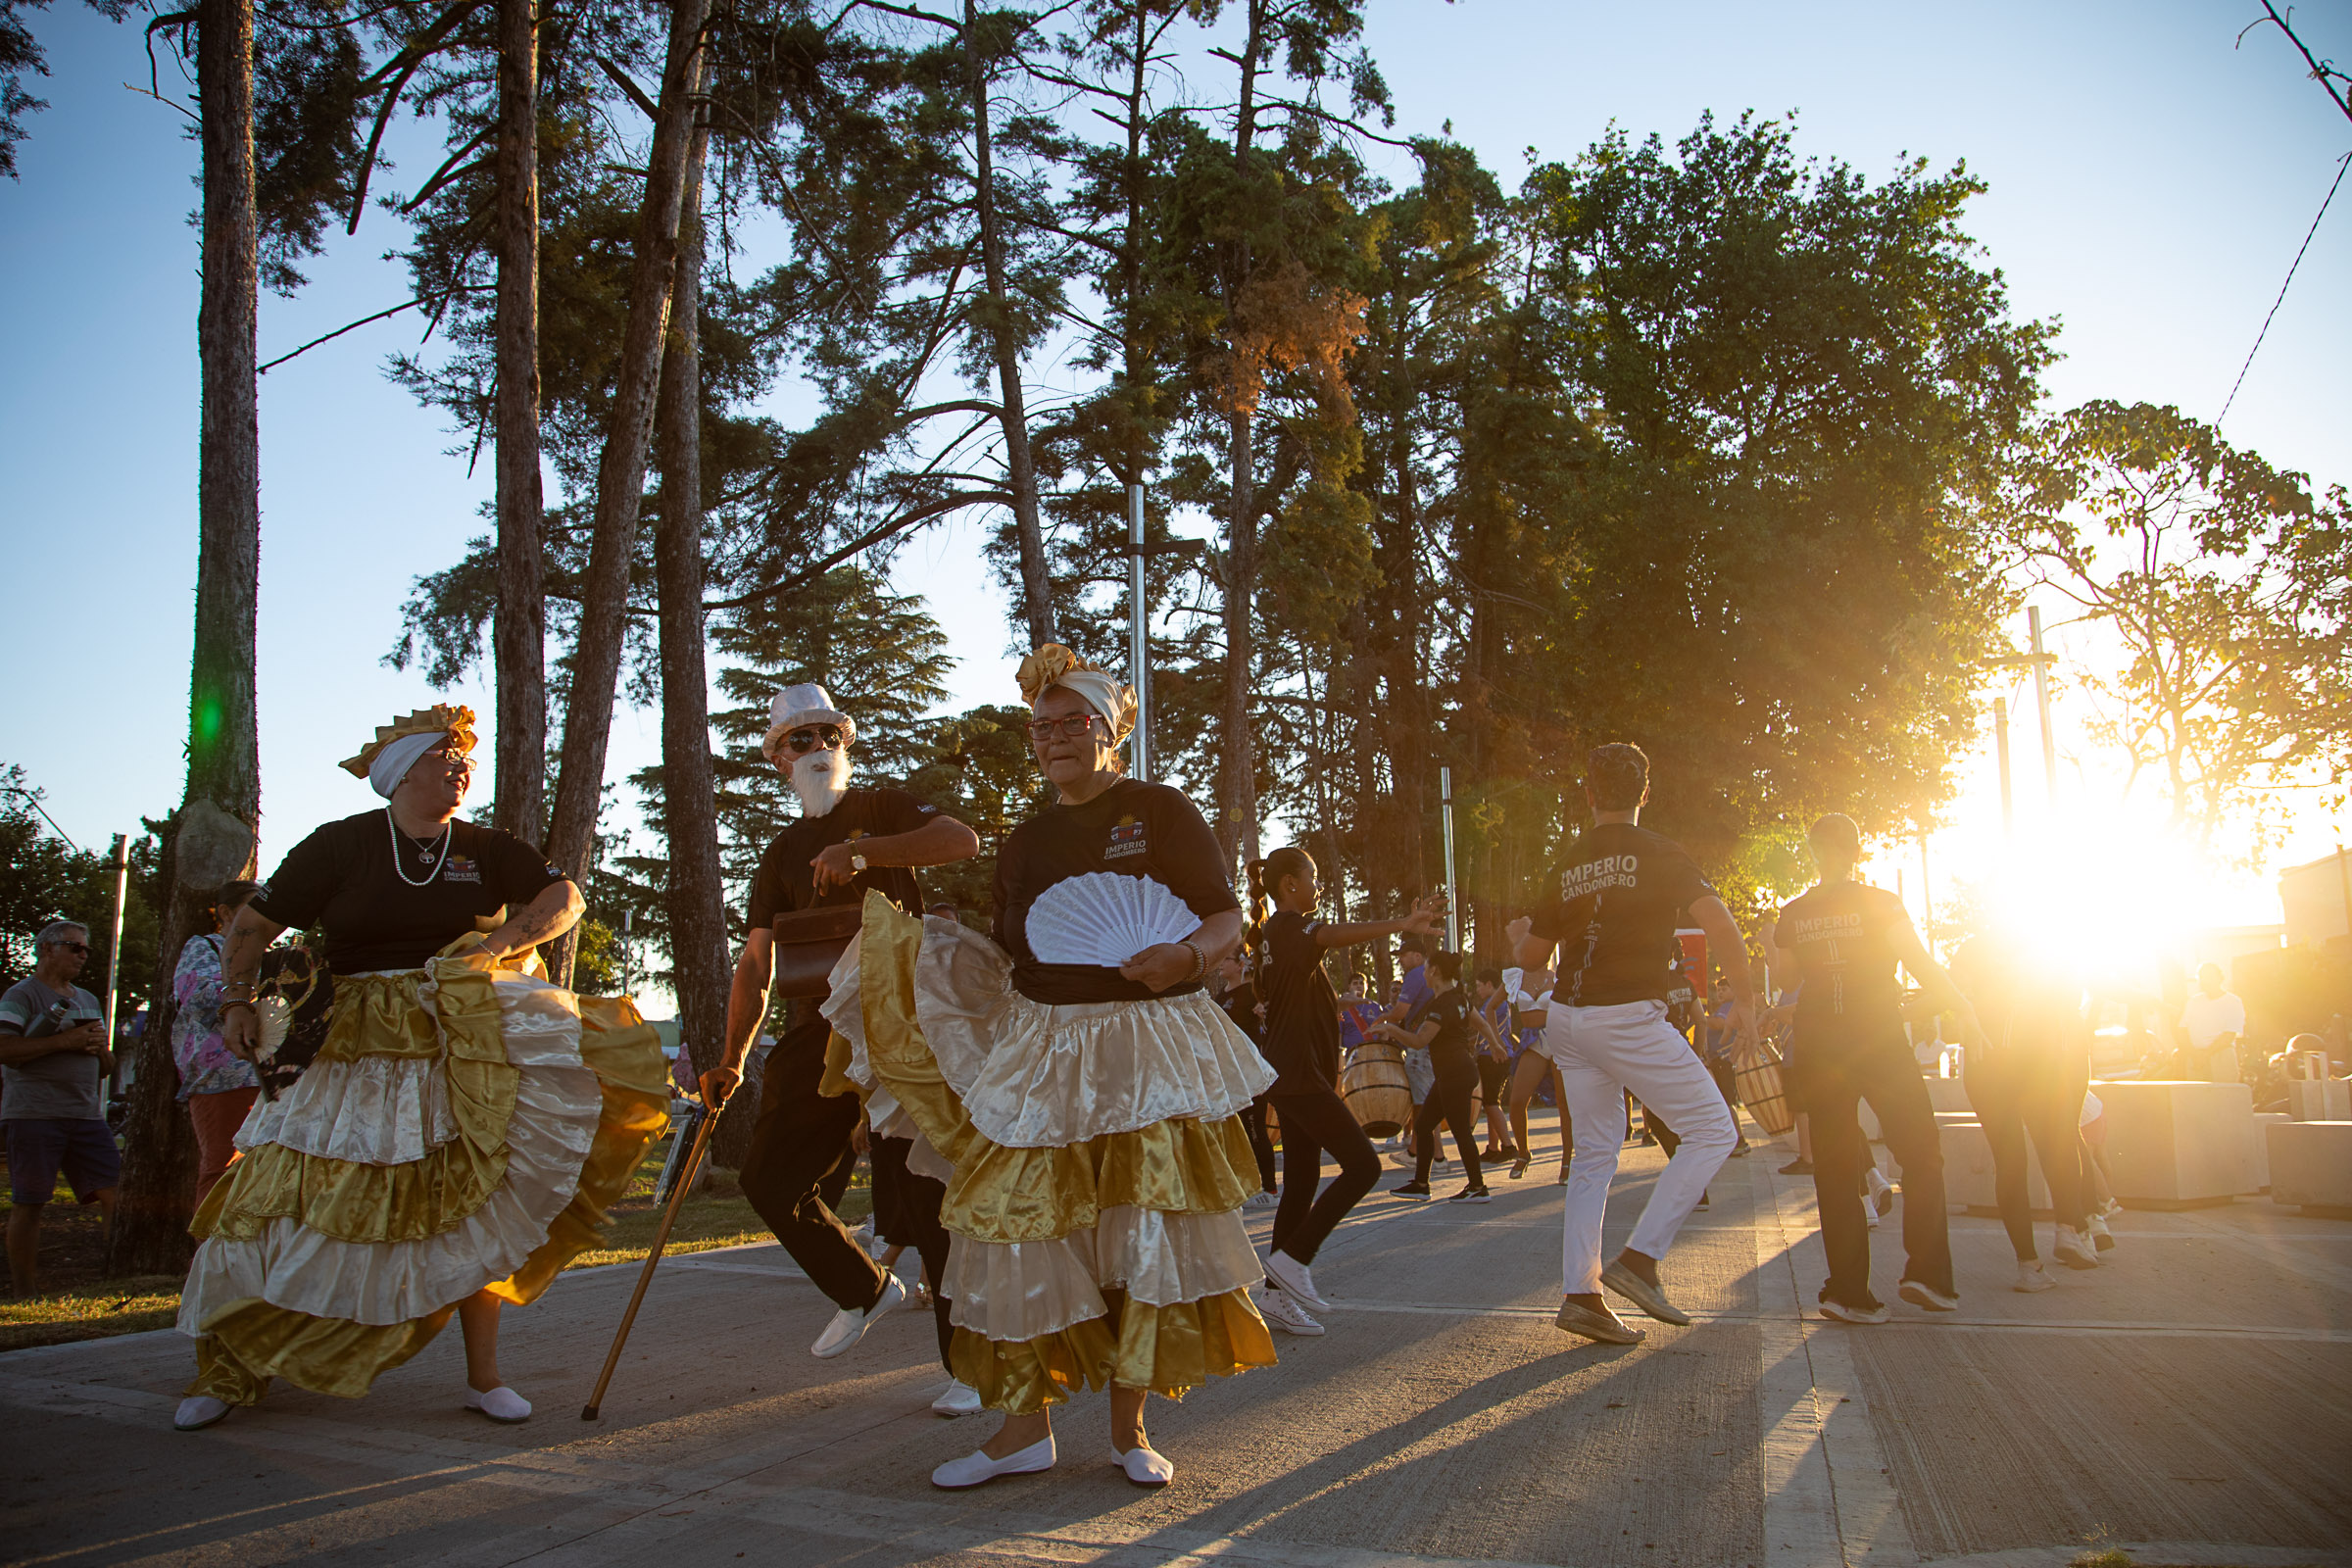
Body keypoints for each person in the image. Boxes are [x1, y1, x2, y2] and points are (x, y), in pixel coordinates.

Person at [837, 644, 1275, 1491]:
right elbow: (1015, 953)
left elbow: (1224, 916)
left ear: (1109, 732)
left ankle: (1130, 1430)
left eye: (1071, 723)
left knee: (1143, 1231)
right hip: (1045, 1047)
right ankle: (1022, 1433)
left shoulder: (1162, 810)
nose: (1051, 739)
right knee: (1010, 1222)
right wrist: (938, 963)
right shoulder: (1026, 841)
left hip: (1147, 1050)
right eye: (1039, 729)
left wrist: (1187, 955)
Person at [177, 705, 669, 1432]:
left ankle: (485, 1377)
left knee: (476, 1195)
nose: (462, 764)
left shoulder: (486, 844)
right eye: (446, 754)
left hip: (456, 1035)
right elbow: (253, 924)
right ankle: (229, 1369)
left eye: (465, 755)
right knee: (282, 1196)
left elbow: (564, 897)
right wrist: (237, 1001)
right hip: (351, 1043)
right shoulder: (338, 846)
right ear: (403, 770)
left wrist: (497, 943)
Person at [698, 683, 981, 1365]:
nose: (818, 747)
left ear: (844, 744)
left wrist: (864, 853)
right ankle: (865, 1288)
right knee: (768, 1181)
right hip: (815, 1029)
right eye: (801, 739)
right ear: (778, 760)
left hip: (900, 1024)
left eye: (829, 734)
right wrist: (732, 1058)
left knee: (925, 1192)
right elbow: (755, 963)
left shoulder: (882, 808)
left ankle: (970, 1370)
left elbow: (960, 840)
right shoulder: (781, 852)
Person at [1510, 743, 1756, 1346]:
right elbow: (1719, 923)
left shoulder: (1565, 862)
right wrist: (1746, 998)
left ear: (1589, 795)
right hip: (1626, 1015)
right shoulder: (1661, 853)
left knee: (1594, 1155)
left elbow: (1531, 958)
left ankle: (1581, 1295)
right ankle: (1641, 1261)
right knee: (1714, 1130)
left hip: (1567, 1018)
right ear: (1645, 792)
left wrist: (1530, 939)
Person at [1769, 812, 1984, 1325]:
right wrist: (1963, 1006)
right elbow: (1921, 964)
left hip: (1822, 1043)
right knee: (1921, 1152)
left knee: (1836, 1168)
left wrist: (1778, 943)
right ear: (1857, 850)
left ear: (1813, 851)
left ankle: (1847, 1293)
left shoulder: (1795, 913)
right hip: (1879, 1039)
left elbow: (1786, 980)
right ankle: (1926, 1275)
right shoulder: (1881, 903)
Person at [1245, 847, 1439, 1337]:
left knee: (1305, 1179)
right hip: (1298, 1074)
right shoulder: (1293, 929)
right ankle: (1293, 1262)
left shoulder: (1271, 934)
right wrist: (1404, 922)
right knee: (1365, 1165)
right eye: (1311, 877)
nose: (1317, 886)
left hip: (1285, 1073)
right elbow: (1333, 933)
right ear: (1289, 885)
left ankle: (1274, 1294)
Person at [1951, 936, 2100, 1290]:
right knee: (2059, 1144)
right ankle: (2069, 1229)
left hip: (1985, 1058)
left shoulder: (1974, 947)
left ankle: (2028, 1266)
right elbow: (2072, 1000)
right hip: (2036, 1057)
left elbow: (1951, 991)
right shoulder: (2049, 947)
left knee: (2010, 1160)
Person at [1, 919, 117, 1296]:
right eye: (75, 947)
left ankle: (113, 1278)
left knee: (117, 1195)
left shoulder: (87, 999)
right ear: (47, 949)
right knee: (30, 1202)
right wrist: (65, 1041)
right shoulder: (21, 996)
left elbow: (106, 1067)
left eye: (87, 950)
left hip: (85, 1115)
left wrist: (99, 1047)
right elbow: (6, 1051)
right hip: (35, 1114)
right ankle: (24, 1292)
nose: (83, 956)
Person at [171, 880, 266, 1207]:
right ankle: (211, 1254)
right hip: (223, 1078)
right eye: (254, 907)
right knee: (224, 1167)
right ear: (225, 912)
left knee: (264, 1170)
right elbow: (196, 997)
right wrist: (252, 992)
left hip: (269, 1077)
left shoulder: (266, 956)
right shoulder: (205, 948)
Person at [1375, 953, 1490, 1203]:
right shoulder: (1460, 999)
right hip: (1456, 1071)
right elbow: (1482, 1025)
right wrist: (1498, 1046)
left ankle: (1477, 1187)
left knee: (1460, 1131)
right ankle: (1421, 1184)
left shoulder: (1442, 1005)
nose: (1424, 974)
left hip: (1454, 1073)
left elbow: (1419, 1041)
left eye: (1426, 970)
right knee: (1425, 1125)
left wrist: (1390, 1028)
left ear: (1435, 971)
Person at [1214, 952, 1281, 1207]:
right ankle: (1241, 1185)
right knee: (1232, 1132)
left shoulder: (1253, 993)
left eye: (1226, 960)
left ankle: (1269, 1188)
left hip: (1248, 1072)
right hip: (1224, 1073)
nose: (1220, 964)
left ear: (1241, 964)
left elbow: (1274, 1017)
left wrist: (1265, 1011)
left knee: (1255, 1130)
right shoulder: (1221, 995)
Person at [1501, 965, 1569, 1182]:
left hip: (1558, 1038)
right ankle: (1523, 1154)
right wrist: (1496, 1042)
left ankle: (1567, 1161)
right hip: (1534, 1042)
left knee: (1564, 1103)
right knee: (1517, 1101)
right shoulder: (1515, 977)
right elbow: (1492, 1007)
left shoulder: (1559, 976)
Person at [1472, 968, 1519, 1161]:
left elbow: (1482, 1024)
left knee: (1491, 1102)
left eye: (1479, 986)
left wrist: (1496, 1046)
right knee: (1490, 1101)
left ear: (1489, 984)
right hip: (1490, 1055)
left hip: (1494, 1056)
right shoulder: (1493, 1004)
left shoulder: (1494, 1004)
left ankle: (1508, 1145)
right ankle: (1493, 1147)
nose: (1477, 990)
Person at [2181, 963, 2247, 1083]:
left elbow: (2229, 1035)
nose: (2204, 980)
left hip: (2221, 1057)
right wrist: (2193, 1054)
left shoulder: (2233, 1002)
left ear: (2220, 978)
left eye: (2209, 976)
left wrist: (2206, 1054)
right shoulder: (2193, 1001)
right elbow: (2182, 1029)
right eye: (2201, 977)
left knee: (2224, 1097)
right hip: (2195, 1058)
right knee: (2197, 1098)